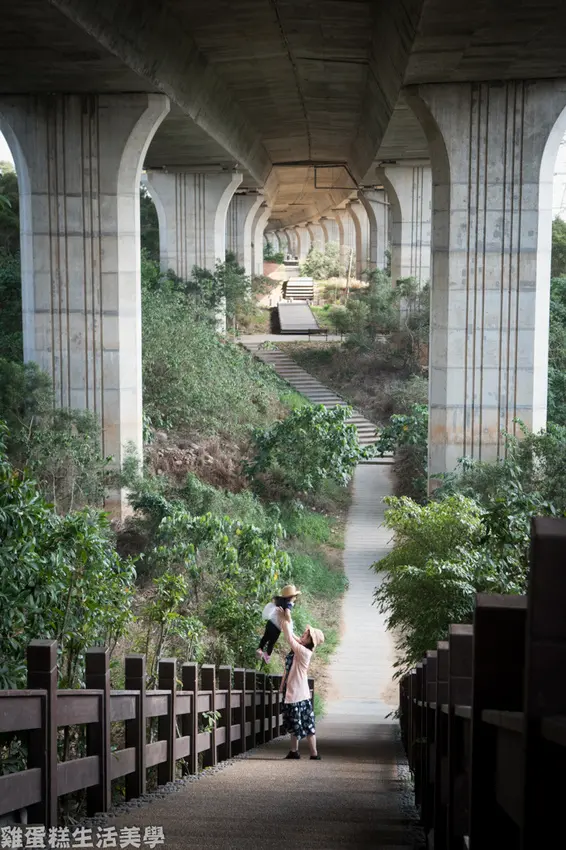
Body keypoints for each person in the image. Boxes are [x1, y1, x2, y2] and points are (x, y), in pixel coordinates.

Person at [278, 607, 324, 760]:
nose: (303, 635)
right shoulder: (302, 648)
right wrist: (285, 617)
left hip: (299, 694)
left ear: (310, 641)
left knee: (306, 725)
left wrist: (285, 619)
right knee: (295, 723)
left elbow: (290, 639)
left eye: (306, 635)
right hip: (297, 692)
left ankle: (313, 753)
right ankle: (294, 751)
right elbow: (293, 636)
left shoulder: (304, 652)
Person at [256, 584, 301, 664]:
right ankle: (266, 658)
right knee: (271, 643)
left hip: (270, 623)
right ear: (291, 597)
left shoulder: (280, 602)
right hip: (276, 627)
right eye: (295, 596)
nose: (296, 598)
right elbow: (287, 613)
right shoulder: (288, 604)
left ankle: (260, 649)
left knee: (265, 637)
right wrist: (289, 620)